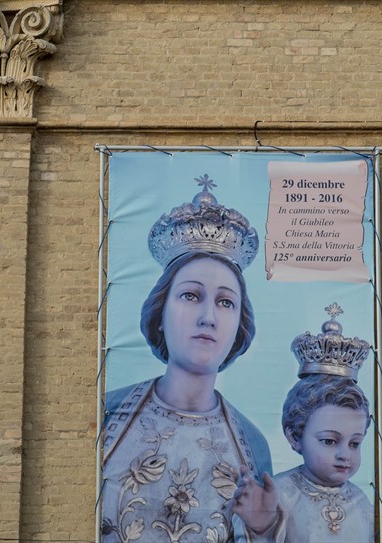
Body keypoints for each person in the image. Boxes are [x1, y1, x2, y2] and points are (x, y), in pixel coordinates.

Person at [101, 175, 272, 543]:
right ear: (160, 314)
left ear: (239, 327)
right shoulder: (105, 415)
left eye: (225, 302)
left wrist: (264, 529)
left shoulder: (253, 446)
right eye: (191, 296)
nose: (208, 316)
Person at [233, 304, 375, 543]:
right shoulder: (278, 496)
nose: (344, 454)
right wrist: (261, 527)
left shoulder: (362, 503)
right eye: (329, 441)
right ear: (295, 436)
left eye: (355, 443)